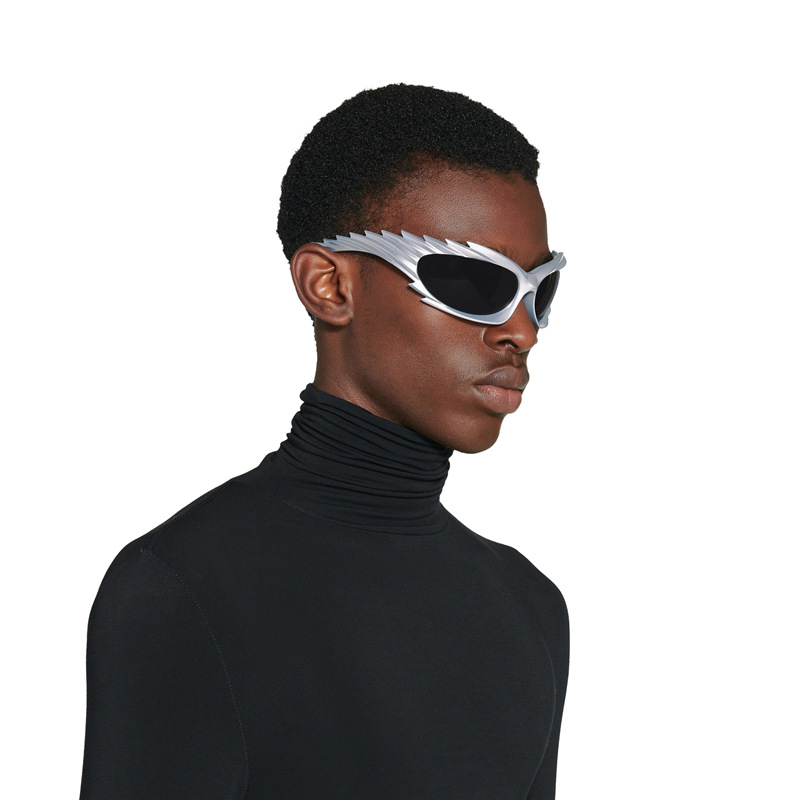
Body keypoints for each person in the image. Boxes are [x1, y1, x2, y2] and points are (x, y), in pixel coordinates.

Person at [79, 83, 570, 800]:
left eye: (538, 291)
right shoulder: (184, 588)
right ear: (329, 286)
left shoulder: (530, 607)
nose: (521, 331)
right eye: (474, 282)